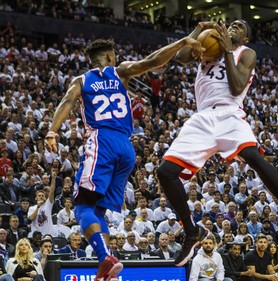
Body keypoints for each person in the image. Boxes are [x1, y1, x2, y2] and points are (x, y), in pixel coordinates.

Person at [157, 20, 278, 267]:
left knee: (253, 156)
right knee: (164, 172)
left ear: (244, 38)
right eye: (232, 23)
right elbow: (181, 57)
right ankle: (192, 231)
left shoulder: (246, 53)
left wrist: (226, 50)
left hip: (230, 114)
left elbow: (235, 89)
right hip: (203, 117)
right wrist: (198, 31)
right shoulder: (206, 44)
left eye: (240, 26)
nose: (234, 26)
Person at [45, 37, 204, 281]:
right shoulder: (120, 72)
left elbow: (67, 101)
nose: (116, 58)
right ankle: (106, 265)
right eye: (114, 54)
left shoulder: (82, 80)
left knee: (82, 207)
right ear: (109, 57)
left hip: (102, 141)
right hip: (126, 148)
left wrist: (52, 131)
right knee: (98, 210)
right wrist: (181, 41)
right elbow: (153, 60)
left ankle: (104, 258)